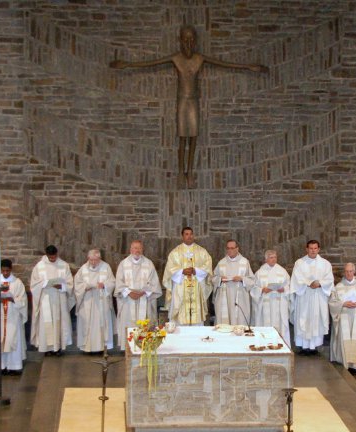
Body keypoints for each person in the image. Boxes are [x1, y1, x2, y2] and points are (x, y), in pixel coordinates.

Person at [110, 25, 268, 188]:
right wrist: (127, 64)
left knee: (193, 137)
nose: (189, 42)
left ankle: (190, 171)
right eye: (185, 39)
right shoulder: (176, 58)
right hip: (182, 101)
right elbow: (149, 63)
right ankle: (180, 171)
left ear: (195, 41)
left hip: (193, 101)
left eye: (192, 39)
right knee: (182, 137)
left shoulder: (199, 58)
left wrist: (249, 67)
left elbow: (224, 63)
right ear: (180, 40)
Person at [115, 240, 162, 350]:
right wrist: (129, 293)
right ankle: (128, 348)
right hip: (128, 299)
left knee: (145, 324)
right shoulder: (123, 264)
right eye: (135, 248)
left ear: (142, 249)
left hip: (144, 298)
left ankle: (145, 346)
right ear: (130, 250)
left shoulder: (148, 263)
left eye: (139, 248)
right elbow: (119, 282)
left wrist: (144, 292)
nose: (137, 250)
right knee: (128, 323)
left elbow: (154, 282)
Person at [290, 240, 334, 355]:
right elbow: (296, 278)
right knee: (303, 319)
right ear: (306, 249)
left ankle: (314, 347)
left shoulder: (325, 264)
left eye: (315, 248)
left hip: (318, 296)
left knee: (316, 320)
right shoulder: (299, 263)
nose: (313, 250)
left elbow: (329, 279)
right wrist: (309, 283)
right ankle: (303, 347)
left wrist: (319, 283)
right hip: (304, 295)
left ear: (319, 249)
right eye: (311, 248)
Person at [30, 245, 75, 356]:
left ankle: (58, 348)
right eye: (50, 257)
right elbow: (34, 284)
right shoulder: (39, 266)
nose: (53, 259)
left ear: (57, 254)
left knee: (59, 324)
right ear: (46, 255)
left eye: (54, 256)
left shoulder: (64, 265)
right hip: (45, 299)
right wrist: (45, 283)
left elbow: (70, 283)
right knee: (46, 323)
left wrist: (63, 287)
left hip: (59, 300)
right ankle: (47, 348)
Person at [163, 227, 212, 325]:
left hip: (196, 287)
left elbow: (208, 265)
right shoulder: (175, 252)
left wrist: (195, 270)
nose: (189, 236)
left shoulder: (202, 251)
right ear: (182, 236)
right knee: (179, 316)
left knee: (196, 317)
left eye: (191, 234)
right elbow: (169, 269)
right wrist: (182, 271)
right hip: (180, 287)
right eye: (186, 234)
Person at [329, 263, 356, 373]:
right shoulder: (338, 287)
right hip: (344, 317)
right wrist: (343, 304)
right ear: (344, 272)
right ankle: (345, 364)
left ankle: (355, 366)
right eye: (347, 271)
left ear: (354, 272)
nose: (348, 273)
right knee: (345, 339)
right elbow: (332, 302)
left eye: (351, 271)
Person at [0, 259, 27, 375]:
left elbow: (23, 299)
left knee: (12, 340)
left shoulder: (17, 283)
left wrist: (13, 299)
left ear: (11, 269)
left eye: (7, 270)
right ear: (1, 270)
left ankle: (13, 366)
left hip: (12, 317)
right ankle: (0, 367)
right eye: (3, 270)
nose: (5, 273)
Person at [74, 249, 116, 353]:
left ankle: (103, 347)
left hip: (102, 300)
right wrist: (85, 287)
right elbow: (77, 284)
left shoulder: (106, 267)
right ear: (88, 258)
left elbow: (112, 282)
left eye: (95, 260)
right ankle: (87, 348)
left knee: (101, 323)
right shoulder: (83, 269)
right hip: (87, 300)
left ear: (99, 259)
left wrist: (104, 285)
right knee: (87, 323)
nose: (93, 262)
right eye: (91, 260)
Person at [251, 250, 291, 346]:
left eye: (275, 257)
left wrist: (284, 289)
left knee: (280, 326)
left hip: (279, 303)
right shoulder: (259, 273)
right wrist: (262, 290)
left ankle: (281, 346)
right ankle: (263, 345)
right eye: (271, 257)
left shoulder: (282, 271)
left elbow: (289, 285)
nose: (274, 259)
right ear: (266, 259)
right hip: (265, 304)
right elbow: (254, 288)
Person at [212, 240, 254, 326]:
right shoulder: (221, 262)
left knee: (239, 323)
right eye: (228, 248)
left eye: (232, 248)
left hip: (240, 298)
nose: (229, 250)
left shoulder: (244, 262)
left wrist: (242, 279)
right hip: (224, 296)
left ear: (237, 249)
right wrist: (220, 279)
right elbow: (213, 278)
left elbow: (252, 280)